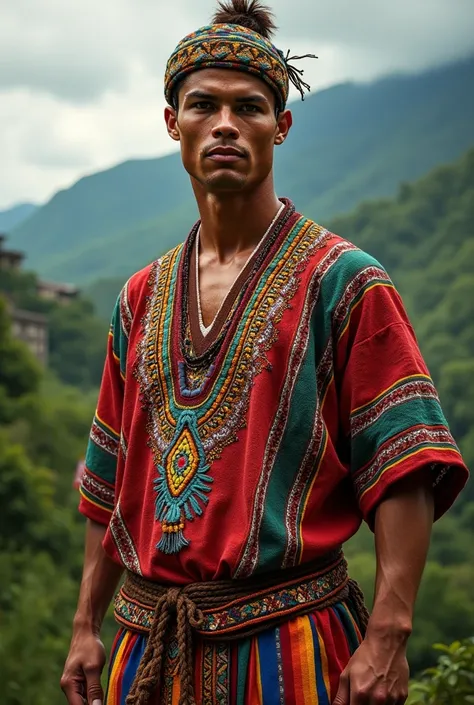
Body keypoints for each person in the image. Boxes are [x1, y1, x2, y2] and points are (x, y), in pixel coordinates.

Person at [61, 1, 469, 704]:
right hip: (145, 646)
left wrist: (389, 632)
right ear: (173, 124)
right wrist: (83, 624)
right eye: (203, 105)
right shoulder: (140, 297)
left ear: (280, 126)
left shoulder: (344, 281)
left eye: (248, 107)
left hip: (295, 646)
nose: (224, 124)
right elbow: (112, 478)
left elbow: (402, 466)